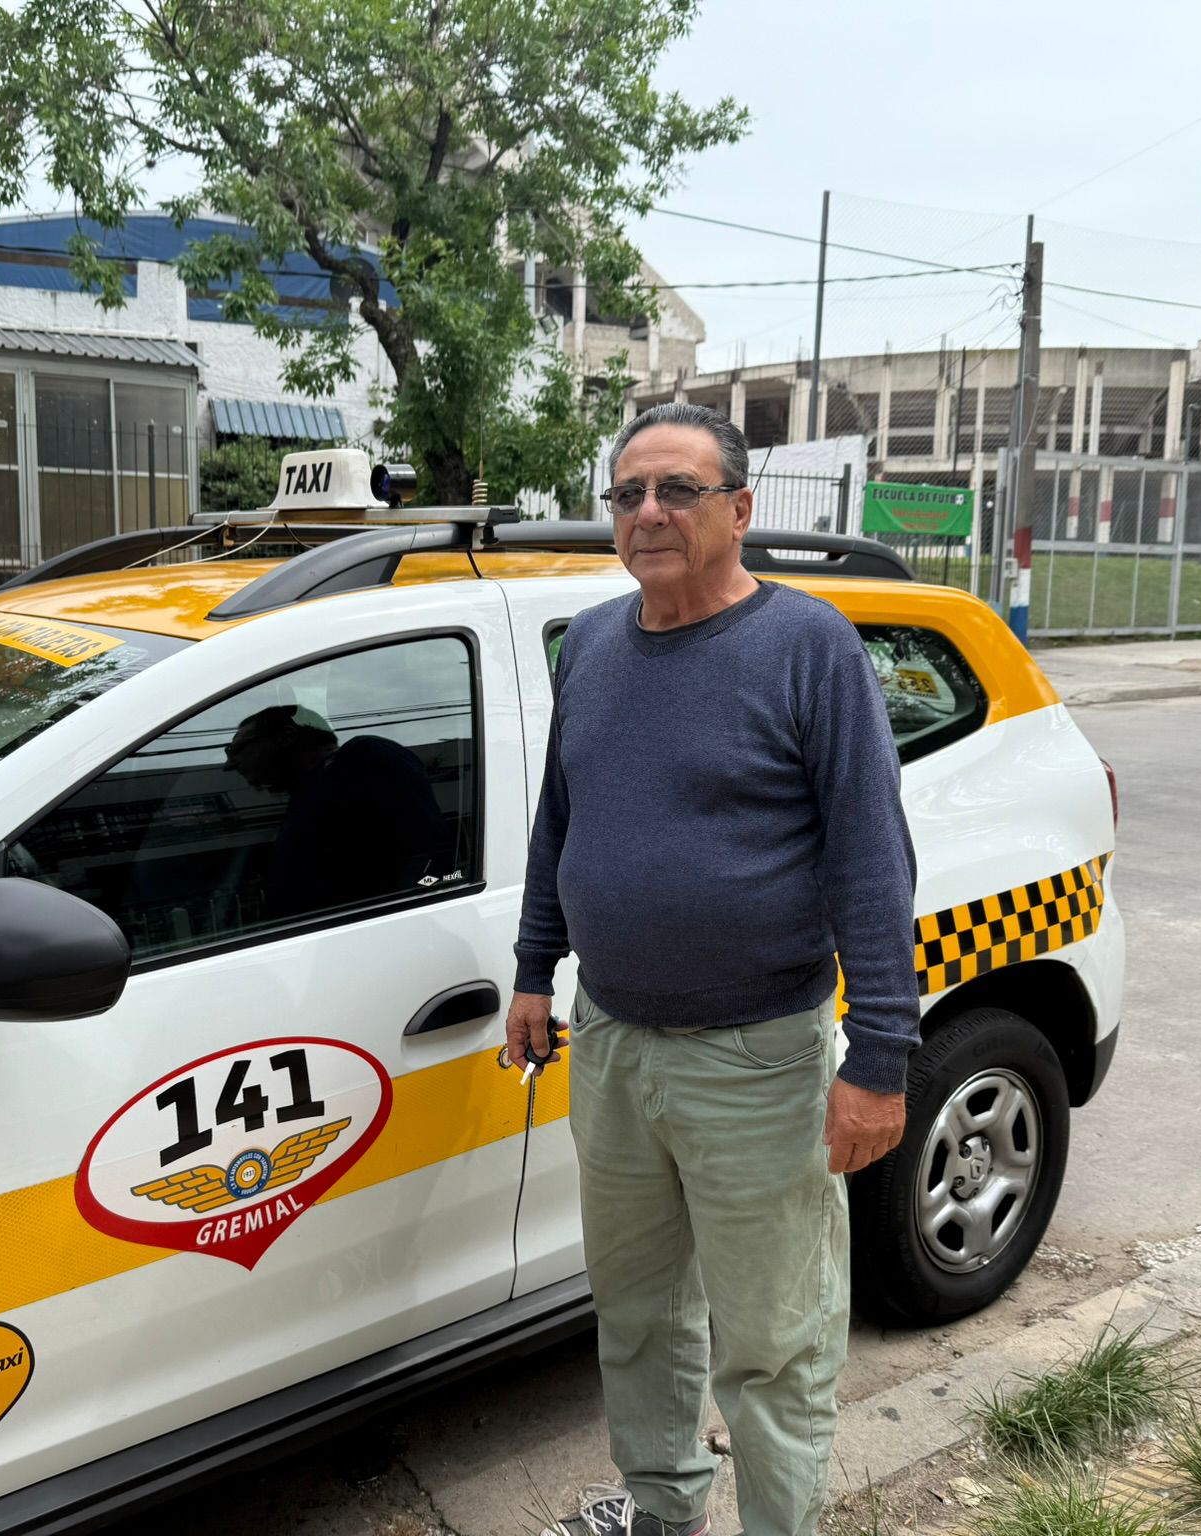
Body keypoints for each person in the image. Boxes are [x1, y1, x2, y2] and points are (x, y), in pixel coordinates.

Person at [508, 403, 921, 1536]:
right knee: (636, 1314)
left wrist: (880, 1059)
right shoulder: (591, 644)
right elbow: (561, 822)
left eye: (678, 490)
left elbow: (871, 859)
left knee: (773, 1342)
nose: (647, 512)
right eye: (628, 493)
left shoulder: (807, 646)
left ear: (739, 510)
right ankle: (664, 1510)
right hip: (611, 1042)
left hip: (759, 1058)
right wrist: (536, 967)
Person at [225, 703, 447, 917]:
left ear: (286, 737)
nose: (230, 764)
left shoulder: (363, 758)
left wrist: (402, 913)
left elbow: (429, 857)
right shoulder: (305, 793)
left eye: (236, 750)